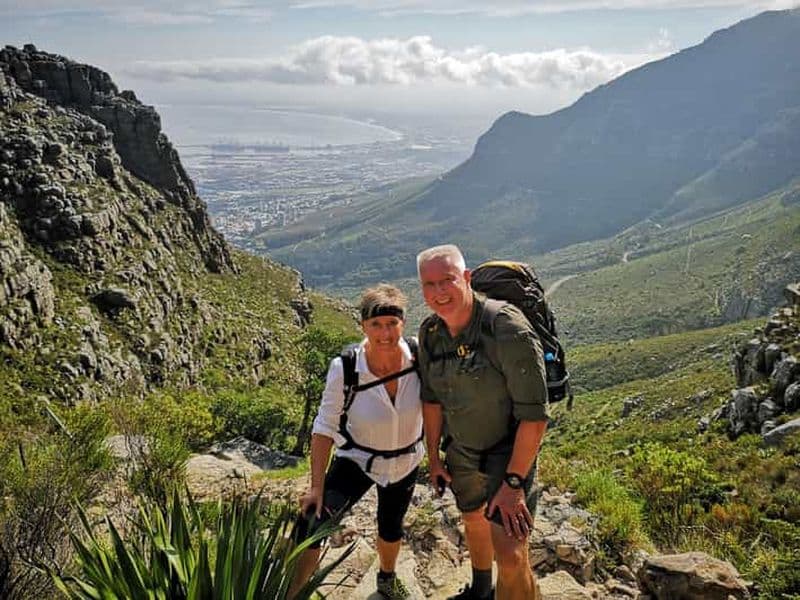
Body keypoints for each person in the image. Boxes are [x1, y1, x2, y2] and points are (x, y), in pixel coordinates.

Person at [416, 245, 548, 600]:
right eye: (429, 284)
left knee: (511, 555)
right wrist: (434, 458)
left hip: (509, 454)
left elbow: (535, 417)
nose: (439, 292)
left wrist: (514, 484)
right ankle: (480, 591)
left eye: (447, 280)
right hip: (461, 451)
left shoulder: (505, 328)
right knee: (473, 519)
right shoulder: (430, 333)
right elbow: (432, 400)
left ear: (467, 278)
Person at [288, 284, 424, 600]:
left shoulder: (419, 358)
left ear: (403, 323)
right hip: (357, 459)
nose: (385, 333)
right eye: (376, 324)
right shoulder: (347, 368)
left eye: (392, 323)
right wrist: (316, 487)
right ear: (363, 325)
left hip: (405, 461)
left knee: (391, 527)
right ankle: (293, 594)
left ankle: (386, 579)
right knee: (310, 525)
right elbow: (324, 427)